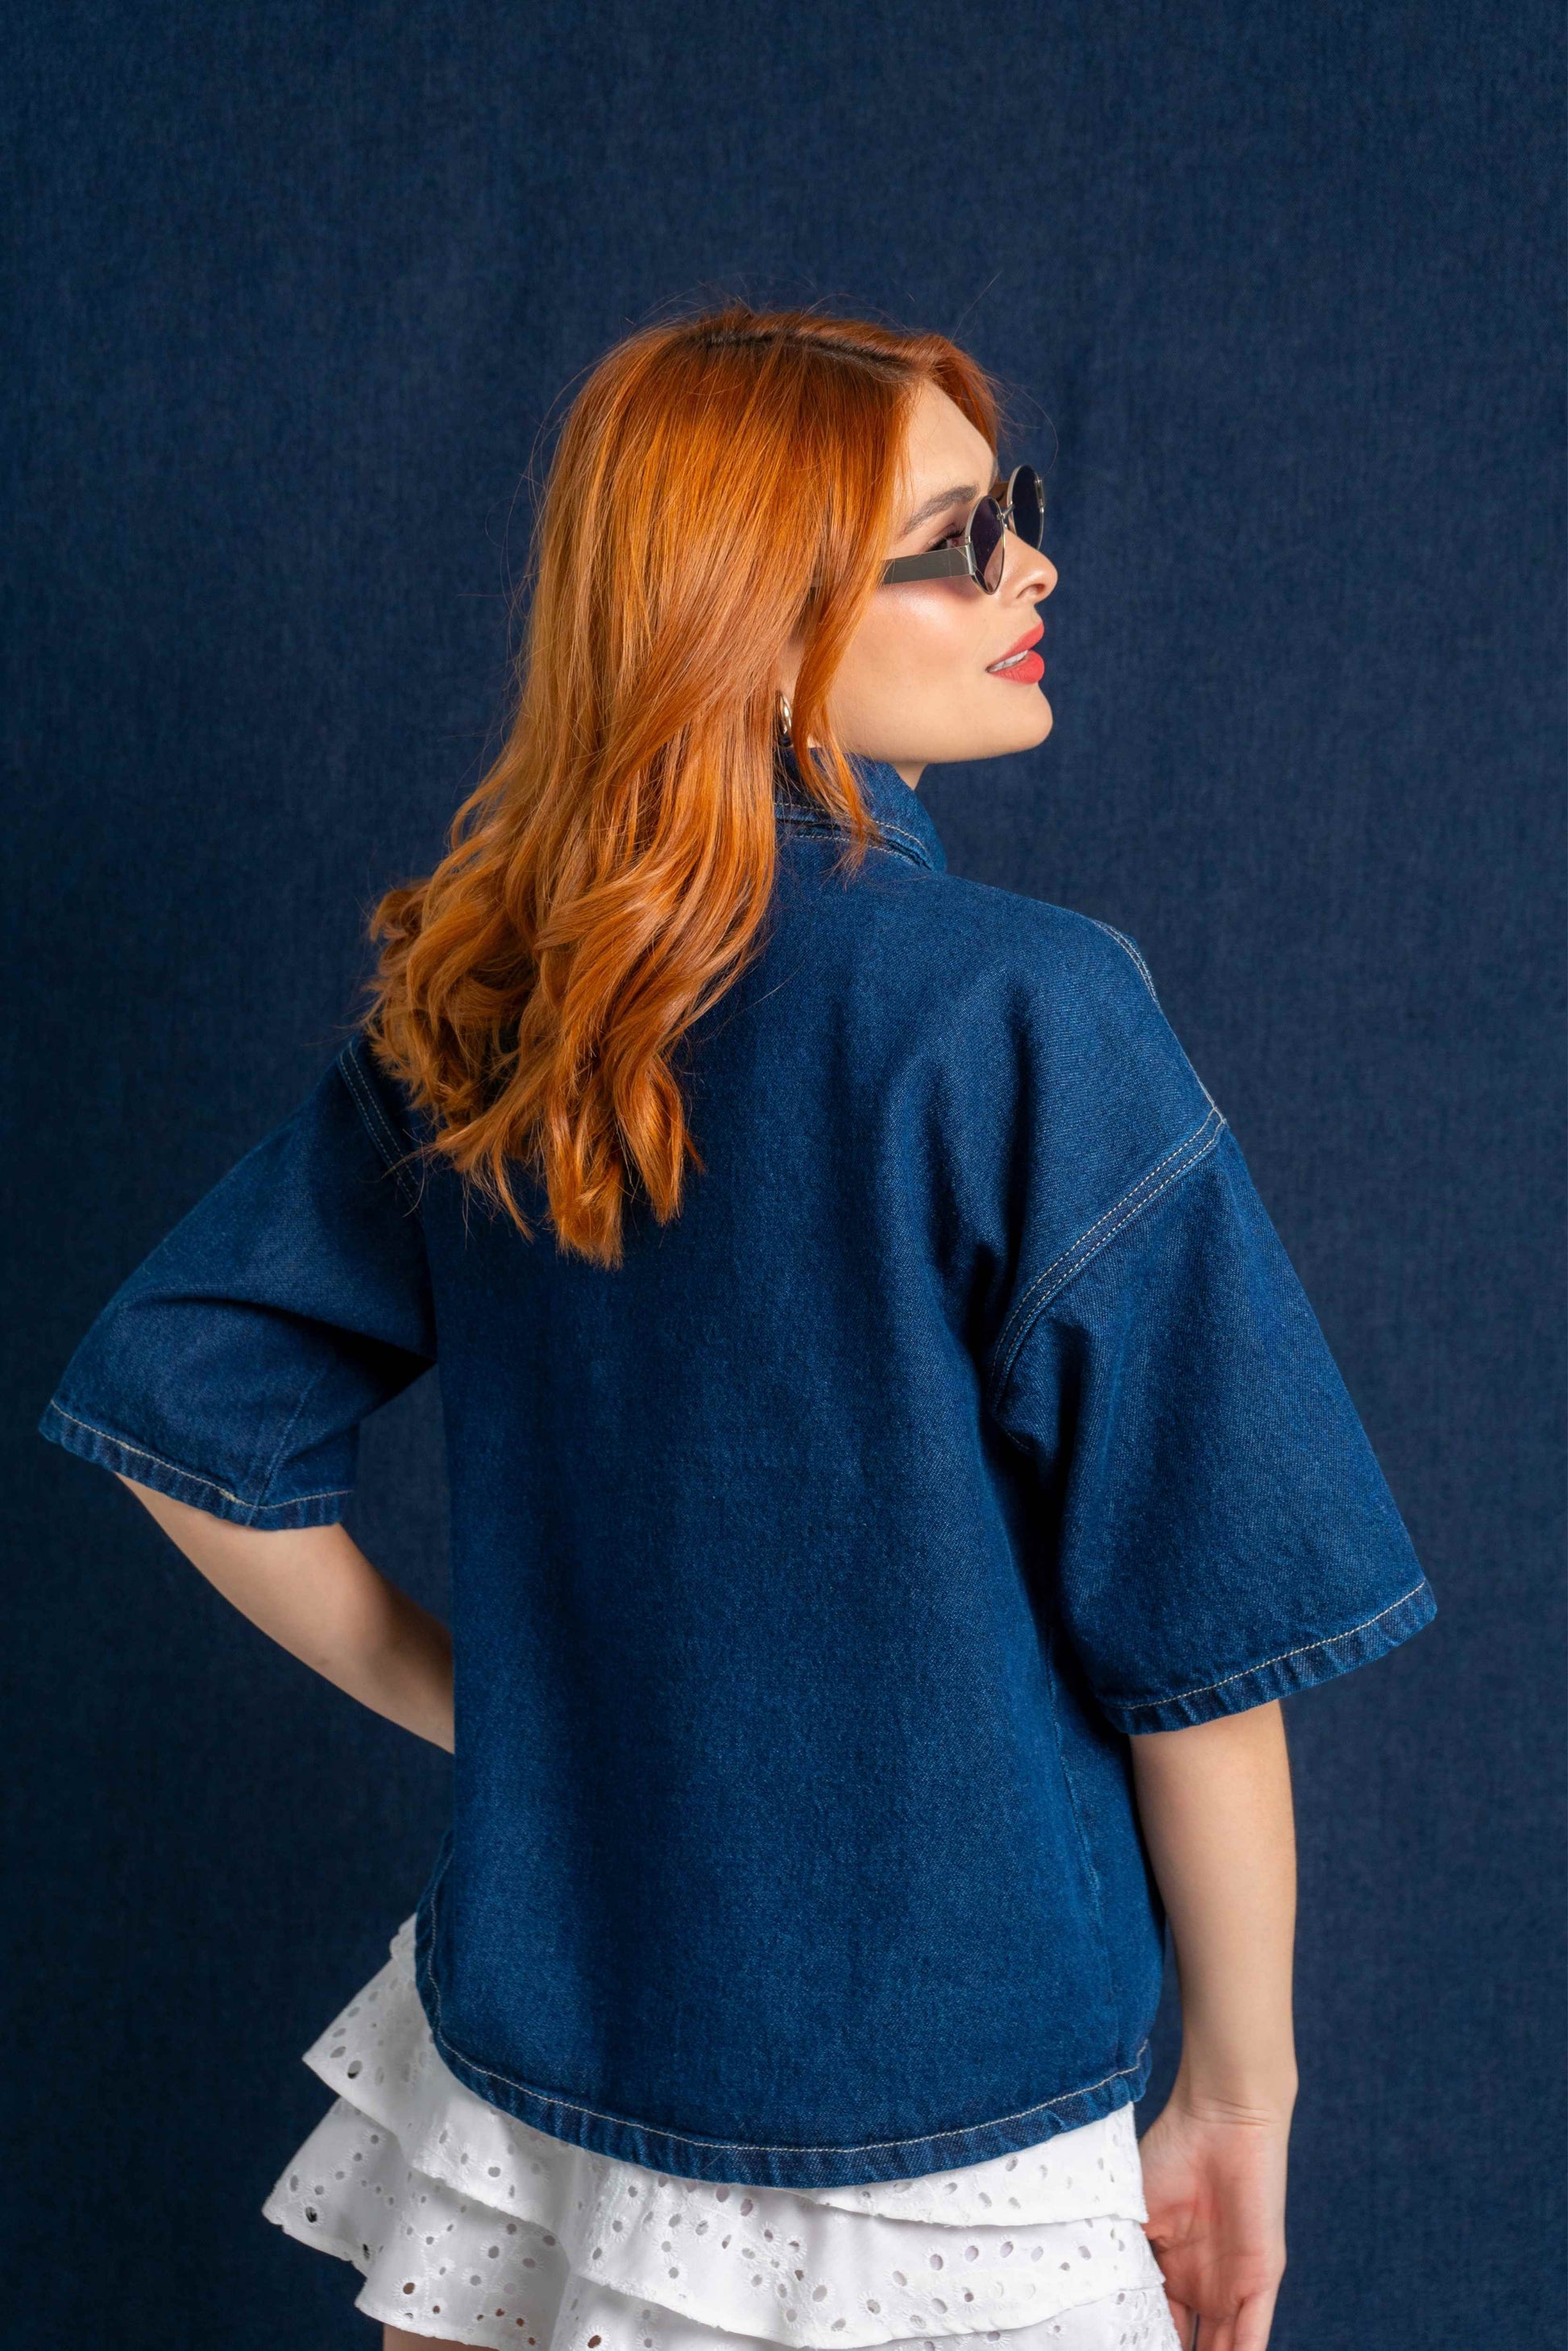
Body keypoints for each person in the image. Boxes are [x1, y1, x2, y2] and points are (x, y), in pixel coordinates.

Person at [39, 305, 1437, 2351]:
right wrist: (1239, 2094)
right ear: (754, 623)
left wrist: (515, 1714)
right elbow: (1205, 1634)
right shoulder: (1021, 1008)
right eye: (958, 540)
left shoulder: (509, 998)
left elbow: (187, 1401)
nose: (1034, 568)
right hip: (942, 2112)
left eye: (1014, 511)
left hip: (528, 2064)